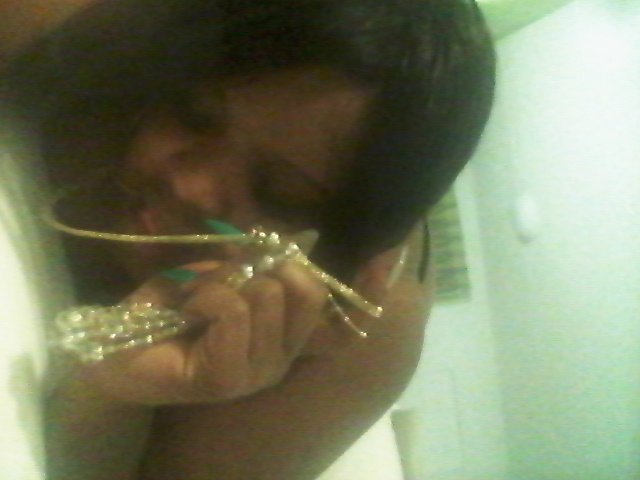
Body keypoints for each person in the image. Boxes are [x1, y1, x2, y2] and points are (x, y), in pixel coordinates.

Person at [1, 0, 495, 478]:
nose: (192, 186)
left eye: (277, 192)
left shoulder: (361, 324)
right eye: (193, 114)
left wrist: (113, 391)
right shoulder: (105, 29)